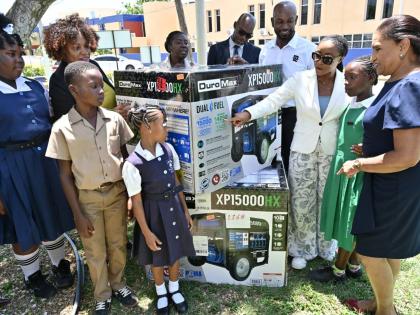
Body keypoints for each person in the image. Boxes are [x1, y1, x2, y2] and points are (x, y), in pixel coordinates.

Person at [230, 35, 349, 270]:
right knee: (301, 201)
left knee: (327, 200)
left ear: (339, 59)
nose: (319, 62)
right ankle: (302, 249)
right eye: (316, 55)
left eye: (327, 58)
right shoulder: (300, 79)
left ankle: (326, 247)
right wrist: (248, 114)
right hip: (302, 148)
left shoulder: (348, 83)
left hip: (332, 150)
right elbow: (274, 100)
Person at [339, 15, 420, 315]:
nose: (372, 58)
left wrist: (359, 162)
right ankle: (379, 303)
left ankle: (386, 311)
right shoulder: (397, 81)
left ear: (403, 46)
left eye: (377, 49)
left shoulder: (410, 85)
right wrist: (372, 147)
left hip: (393, 188)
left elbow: (408, 156)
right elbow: (397, 137)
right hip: (390, 182)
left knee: (370, 251)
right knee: (390, 249)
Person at [46, 61, 136, 314]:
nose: (101, 91)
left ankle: (118, 284)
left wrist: (130, 196)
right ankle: (102, 293)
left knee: (118, 243)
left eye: (101, 85)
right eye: (94, 86)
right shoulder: (62, 128)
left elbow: (127, 159)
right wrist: (77, 213)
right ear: (74, 90)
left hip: (117, 193)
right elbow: (64, 175)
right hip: (88, 199)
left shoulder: (115, 119)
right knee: (94, 250)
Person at [0, 16, 74, 299]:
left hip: (44, 161)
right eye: (10, 54)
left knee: (50, 214)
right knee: (22, 224)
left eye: (20, 54)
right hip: (10, 167)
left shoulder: (35, 87)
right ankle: (32, 275)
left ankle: (59, 264)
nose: (18, 59)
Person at [309, 56, 378, 282]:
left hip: (358, 174)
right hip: (342, 169)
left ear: (370, 78)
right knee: (344, 219)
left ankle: (338, 269)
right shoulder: (352, 104)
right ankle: (354, 265)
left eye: (352, 77)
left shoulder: (374, 109)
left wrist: (370, 149)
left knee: (351, 221)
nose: (346, 82)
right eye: (345, 77)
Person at [122, 105, 195, 315]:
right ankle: (161, 291)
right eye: (162, 123)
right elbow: (136, 202)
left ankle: (174, 288)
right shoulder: (133, 164)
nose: (166, 127)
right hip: (153, 215)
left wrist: (185, 211)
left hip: (173, 208)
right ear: (147, 127)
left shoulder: (168, 149)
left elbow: (176, 182)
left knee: (175, 252)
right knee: (158, 256)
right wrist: (146, 232)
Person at [259, 0, 316, 173]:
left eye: (289, 21)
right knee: (266, 161)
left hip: (295, 116)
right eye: (279, 21)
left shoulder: (309, 50)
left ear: (296, 20)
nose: (285, 26)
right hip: (267, 117)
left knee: (293, 164)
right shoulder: (265, 50)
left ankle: (292, 198)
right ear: (272, 22)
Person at [43, 13, 116, 121]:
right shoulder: (58, 80)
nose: (85, 52)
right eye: (77, 48)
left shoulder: (94, 65)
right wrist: (114, 115)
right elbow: (70, 122)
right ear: (62, 51)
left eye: (86, 46)